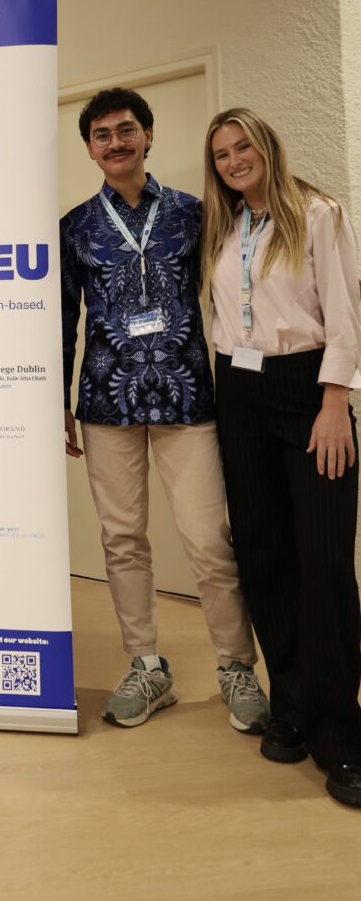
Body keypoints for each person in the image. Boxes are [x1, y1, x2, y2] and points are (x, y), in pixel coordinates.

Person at [60, 87, 269, 731]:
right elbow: (63, 322)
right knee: (122, 540)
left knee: (209, 541)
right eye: (102, 135)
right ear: (90, 149)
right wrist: (57, 400)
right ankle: (147, 666)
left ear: (148, 136)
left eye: (126, 130)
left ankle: (236, 667)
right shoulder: (74, 228)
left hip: (186, 396)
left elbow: (239, 293)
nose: (115, 142)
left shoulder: (195, 214)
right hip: (107, 401)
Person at [202, 107, 361, 807]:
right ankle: (292, 707)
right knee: (264, 557)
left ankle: (341, 733)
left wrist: (334, 403)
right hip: (238, 394)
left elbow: (348, 315)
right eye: (222, 154)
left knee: (323, 563)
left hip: (307, 394)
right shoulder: (224, 223)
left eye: (243, 147)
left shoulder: (318, 214)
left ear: (267, 147)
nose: (234, 161)